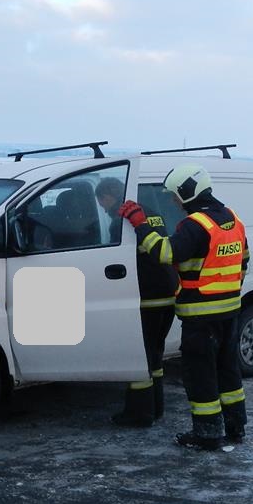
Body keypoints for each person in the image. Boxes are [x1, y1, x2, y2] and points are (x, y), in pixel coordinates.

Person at [119, 164, 248, 450]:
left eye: (176, 196)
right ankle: (235, 426)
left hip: (201, 317)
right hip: (229, 312)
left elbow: (165, 252)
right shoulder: (232, 218)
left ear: (187, 192)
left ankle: (207, 434)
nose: (175, 202)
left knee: (201, 377)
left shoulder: (195, 225)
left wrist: (140, 224)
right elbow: (243, 261)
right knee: (228, 372)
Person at [96, 177, 178, 428]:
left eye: (102, 201)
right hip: (167, 293)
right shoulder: (152, 214)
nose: (102, 207)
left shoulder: (121, 222)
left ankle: (139, 413)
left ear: (109, 196)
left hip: (146, 296)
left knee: (139, 355)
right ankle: (155, 407)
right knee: (154, 354)